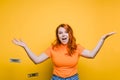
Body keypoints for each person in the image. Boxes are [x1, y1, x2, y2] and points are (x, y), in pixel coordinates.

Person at [12, 24, 115, 80]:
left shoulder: (77, 48)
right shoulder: (52, 48)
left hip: (73, 79)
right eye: (60, 33)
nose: (63, 34)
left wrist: (102, 40)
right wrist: (25, 47)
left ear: (70, 34)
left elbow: (92, 55)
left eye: (66, 32)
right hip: (56, 79)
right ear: (58, 36)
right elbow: (36, 60)